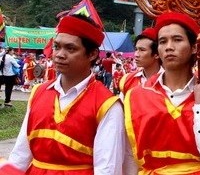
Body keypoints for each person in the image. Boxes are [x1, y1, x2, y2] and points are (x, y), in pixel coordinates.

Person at [8, 14, 126, 174]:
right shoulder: (39, 92)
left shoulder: (107, 105)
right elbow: (20, 155)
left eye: (71, 48)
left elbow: (107, 168)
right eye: (57, 47)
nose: (59, 54)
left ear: (92, 54)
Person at [123, 11, 200, 174]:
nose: (169, 47)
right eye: (163, 42)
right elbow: (129, 155)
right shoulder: (136, 96)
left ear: (194, 48)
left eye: (177, 40)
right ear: (157, 50)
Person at [119, 27, 162, 97]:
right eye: (136, 49)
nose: (136, 54)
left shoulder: (169, 81)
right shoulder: (128, 80)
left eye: (142, 50)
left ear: (157, 54)